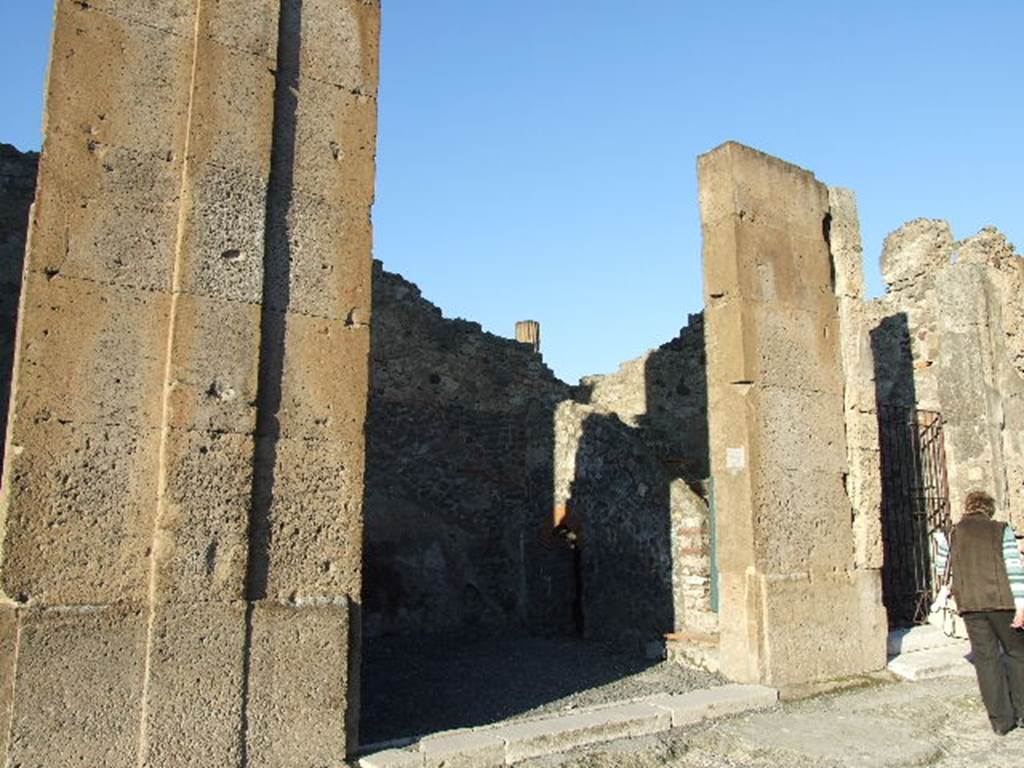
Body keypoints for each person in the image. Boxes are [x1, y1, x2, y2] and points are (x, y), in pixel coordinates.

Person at [936, 490, 1024, 734]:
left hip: (971, 605)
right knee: (1017, 654)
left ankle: (1000, 722)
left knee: (986, 660)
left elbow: (941, 567)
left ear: (967, 507)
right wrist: (1022, 606)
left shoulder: (949, 534)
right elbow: (1014, 568)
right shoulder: (1001, 530)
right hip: (1002, 602)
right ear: (989, 509)